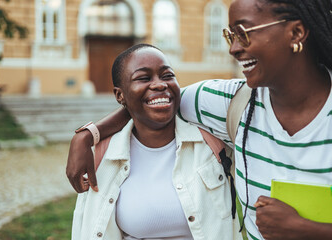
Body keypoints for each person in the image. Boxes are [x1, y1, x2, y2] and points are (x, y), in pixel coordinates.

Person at [67, 0, 332, 239]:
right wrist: (87, 135)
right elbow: (152, 103)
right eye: (230, 35)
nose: (234, 49)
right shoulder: (227, 103)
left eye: (243, 33)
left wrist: (306, 230)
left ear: (296, 33)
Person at [71, 44, 242, 240]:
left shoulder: (211, 142)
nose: (160, 84)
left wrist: (86, 135)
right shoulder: (105, 157)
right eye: (143, 78)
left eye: (167, 75)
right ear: (120, 95)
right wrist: (86, 136)